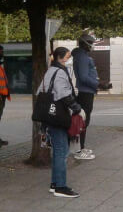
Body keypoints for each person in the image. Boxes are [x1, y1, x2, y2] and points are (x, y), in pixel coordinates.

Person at [38, 46, 82, 198]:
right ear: (61, 58)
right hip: (58, 116)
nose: (69, 59)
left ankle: (55, 184)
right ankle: (60, 187)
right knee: (62, 151)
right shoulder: (60, 72)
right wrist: (76, 107)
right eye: (68, 57)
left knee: (58, 150)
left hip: (49, 115)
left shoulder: (50, 71)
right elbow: (63, 94)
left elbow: (41, 90)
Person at [70, 34, 100, 160]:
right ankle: (78, 151)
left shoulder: (82, 56)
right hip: (85, 93)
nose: (92, 45)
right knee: (82, 122)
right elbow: (83, 77)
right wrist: (98, 84)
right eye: (90, 43)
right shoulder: (82, 57)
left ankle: (80, 148)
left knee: (83, 121)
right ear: (84, 43)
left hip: (87, 92)